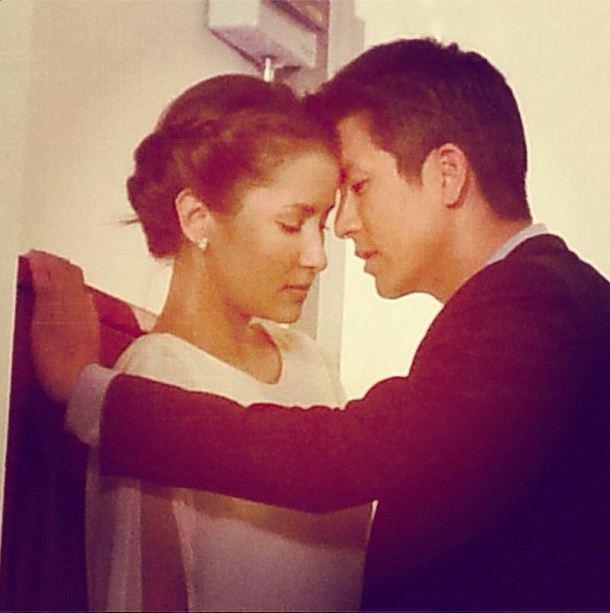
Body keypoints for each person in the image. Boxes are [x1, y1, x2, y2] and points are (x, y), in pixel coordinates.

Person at [28, 39, 610, 611]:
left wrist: (90, 393)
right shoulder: (545, 299)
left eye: (359, 187)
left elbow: (354, 452)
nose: (342, 229)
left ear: (447, 174)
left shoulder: (537, 304)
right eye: (297, 220)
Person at [37, 75, 373, 612]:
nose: (318, 257)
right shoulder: (155, 376)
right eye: (293, 224)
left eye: (323, 226)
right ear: (197, 218)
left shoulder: (311, 362)